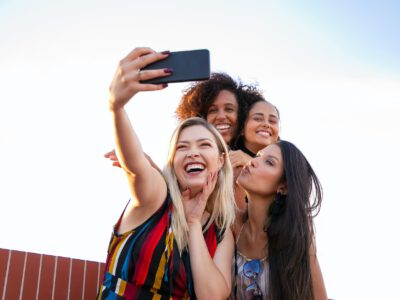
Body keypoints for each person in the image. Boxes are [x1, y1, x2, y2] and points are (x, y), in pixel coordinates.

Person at [98, 47, 236, 299]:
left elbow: (212, 296)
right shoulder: (156, 196)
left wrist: (194, 224)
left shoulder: (221, 233)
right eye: (182, 147)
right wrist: (116, 107)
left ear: (220, 160)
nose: (192, 153)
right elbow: (136, 165)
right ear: (172, 163)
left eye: (204, 145)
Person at [231, 141, 328, 300]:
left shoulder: (297, 235)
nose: (253, 161)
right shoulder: (230, 224)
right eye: (258, 156)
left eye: (269, 162)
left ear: (283, 187)